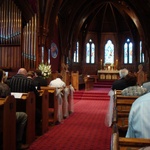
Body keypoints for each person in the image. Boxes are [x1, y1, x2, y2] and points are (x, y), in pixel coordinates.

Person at [0, 69, 28, 150]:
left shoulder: (9, 82)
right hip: (3, 115)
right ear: (2, 77)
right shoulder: (5, 87)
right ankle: (18, 142)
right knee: (24, 116)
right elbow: (9, 103)